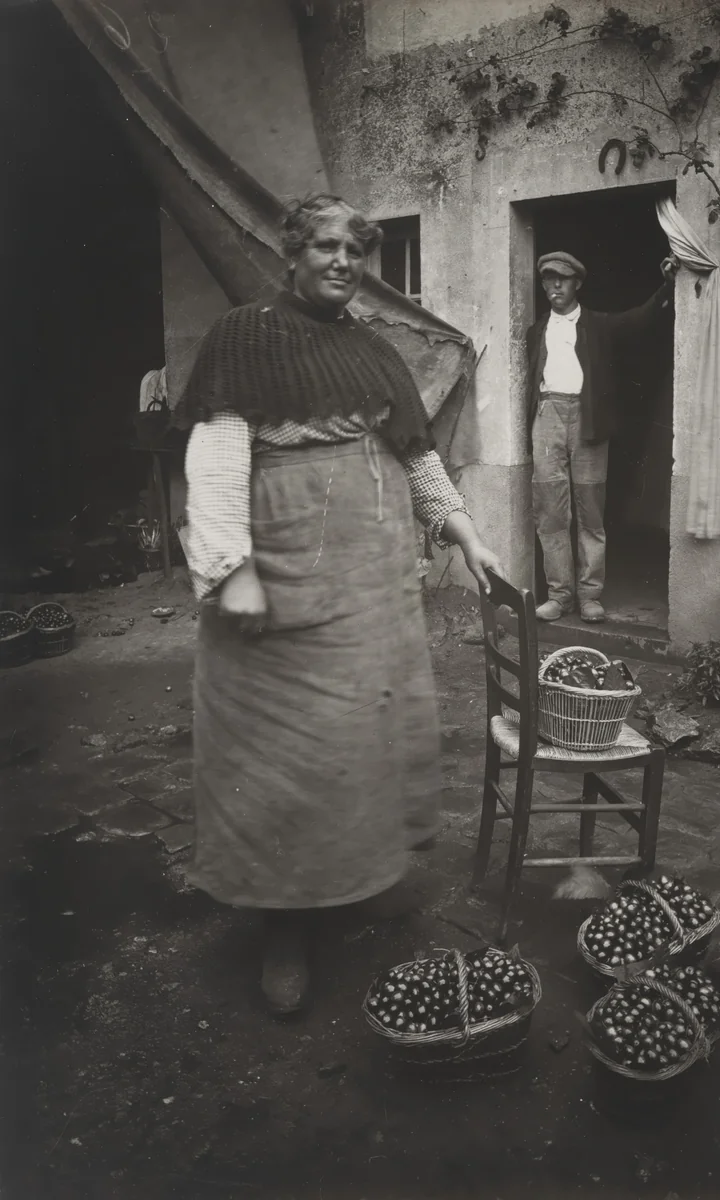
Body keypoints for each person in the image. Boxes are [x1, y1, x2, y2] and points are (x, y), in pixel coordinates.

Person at [176, 194, 505, 1016]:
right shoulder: (243, 336)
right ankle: (283, 925)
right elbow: (214, 460)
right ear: (291, 253)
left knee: (362, 737)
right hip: (281, 579)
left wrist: (464, 533)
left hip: (374, 582)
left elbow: (415, 452)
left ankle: (355, 881)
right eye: (327, 247)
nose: (342, 263)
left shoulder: (370, 345)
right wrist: (230, 572)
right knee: (285, 756)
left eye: (357, 252)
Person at [527, 250, 679, 623]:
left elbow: (640, 320)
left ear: (577, 283)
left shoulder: (598, 325)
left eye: (563, 278)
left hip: (588, 419)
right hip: (547, 416)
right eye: (549, 279)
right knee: (551, 513)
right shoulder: (536, 331)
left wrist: (668, 285)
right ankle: (559, 596)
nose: (555, 285)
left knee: (590, 511)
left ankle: (590, 595)